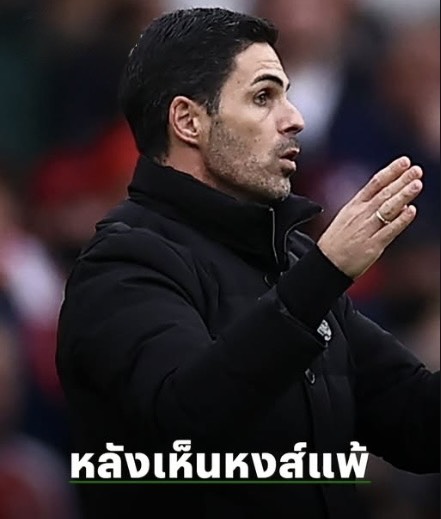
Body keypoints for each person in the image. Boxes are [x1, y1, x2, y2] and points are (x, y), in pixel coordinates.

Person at [56, 7, 440, 519]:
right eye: (264, 97)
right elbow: (188, 426)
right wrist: (324, 274)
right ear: (188, 120)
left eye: (286, 93)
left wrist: (316, 277)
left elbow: (419, 425)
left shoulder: (291, 260)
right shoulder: (122, 264)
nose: (294, 118)